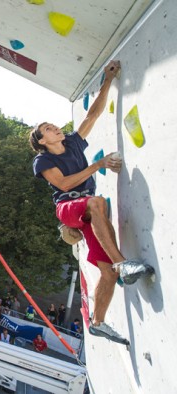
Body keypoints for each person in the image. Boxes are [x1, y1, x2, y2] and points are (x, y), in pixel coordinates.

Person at [31, 60, 154, 343]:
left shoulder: (73, 142)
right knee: (97, 203)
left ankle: (97, 322)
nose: (55, 127)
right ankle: (124, 263)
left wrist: (108, 81)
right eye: (48, 129)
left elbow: (93, 115)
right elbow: (63, 184)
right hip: (68, 207)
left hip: (87, 208)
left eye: (53, 124)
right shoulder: (43, 160)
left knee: (107, 273)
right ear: (42, 141)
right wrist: (97, 164)